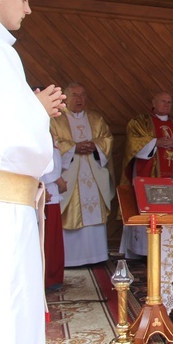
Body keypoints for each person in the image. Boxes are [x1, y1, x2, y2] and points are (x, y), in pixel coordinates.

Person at [0, 0, 65, 344]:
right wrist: (36, 113)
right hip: (2, 210)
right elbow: (17, 144)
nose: (29, 9)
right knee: (9, 316)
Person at [51, 82, 115, 266]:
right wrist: (73, 148)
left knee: (93, 212)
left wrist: (95, 145)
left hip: (92, 174)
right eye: (75, 95)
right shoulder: (56, 119)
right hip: (70, 175)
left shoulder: (96, 118)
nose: (79, 99)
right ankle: (71, 259)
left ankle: (96, 256)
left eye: (83, 95)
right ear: (65, 97)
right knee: (71, 212)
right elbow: (53, 142)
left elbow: (107, 139)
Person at [120, 91, 173, 258]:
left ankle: (171, 249)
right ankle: (144, 251)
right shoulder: (140, 121)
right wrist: (156, 142)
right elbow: (133, 144)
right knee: (149, 208)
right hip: (149, 174)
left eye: (169, 102)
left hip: (172, 175)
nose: (166, 104)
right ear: (153, 102)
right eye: (163, 101)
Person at [40, 142, 68, 289]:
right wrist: (59, 181)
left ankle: (53, 276)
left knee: (53, 238)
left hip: (51, 192)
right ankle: (48, 278)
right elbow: (44, 163)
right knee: (48, 238)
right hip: (46, 192)